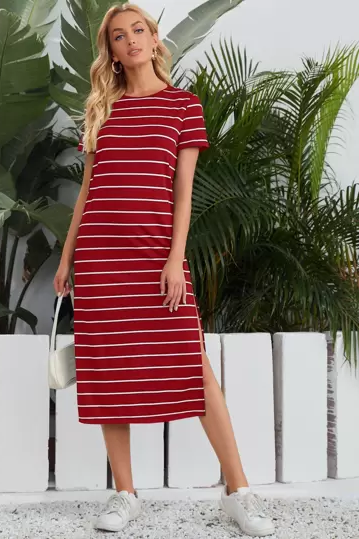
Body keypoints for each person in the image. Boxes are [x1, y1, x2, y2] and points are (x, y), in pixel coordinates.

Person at [53, 3, 275, 537]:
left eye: (139, 30)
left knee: (195, 369)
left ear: (155, 40)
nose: (130, 40)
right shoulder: (102, 109)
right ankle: (125, 494)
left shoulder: (183, 106)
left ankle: (238, 492)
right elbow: (87, 190)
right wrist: (67, 256)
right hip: (100, 257)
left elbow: (183, 192)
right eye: (119, 35)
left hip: (155, 256)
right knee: (106, 372)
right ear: (110, 51)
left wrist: (175, 259)